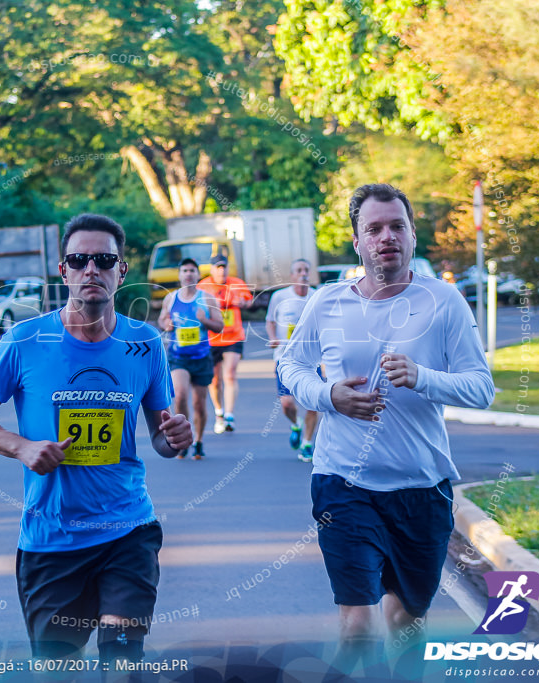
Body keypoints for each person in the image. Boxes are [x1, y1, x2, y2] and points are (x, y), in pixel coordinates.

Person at [279, 184, 494, 678]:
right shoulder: (328, 303)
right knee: (357, 627)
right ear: (357, 243)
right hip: (343, 485)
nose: (386, 237)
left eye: (396, 226)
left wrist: (423, 377)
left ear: (413, 235)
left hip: (421, 489)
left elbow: (481, 388)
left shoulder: (444, 302)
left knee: (406, 622)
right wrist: (328, 396)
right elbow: (291, 368)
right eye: (373, 229)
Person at [0, 213, 192, 664]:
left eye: (104, 259)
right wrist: (22, 447)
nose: (92, 269)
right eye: (79, 259)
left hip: (128, 531)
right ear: (62, 270)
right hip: (52, 540)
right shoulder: (24, 340)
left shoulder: (144, 343)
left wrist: (175, 437)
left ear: (121, 270)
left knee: (122, 661)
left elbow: (162, 438)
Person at [158, 258, 224, 459]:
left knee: (198, 403)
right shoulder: (171, 298)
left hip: (202, 357)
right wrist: (165, 324)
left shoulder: (207, 298)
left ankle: (199, 440)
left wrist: (205, 320)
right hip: (179, 357)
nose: (188, 274)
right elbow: (162, 318)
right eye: (184, 270)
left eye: (192, 271)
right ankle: (183, 439)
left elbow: (219, 326)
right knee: (179, 395)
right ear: (179, 275)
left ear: (197, 275)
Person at [265, 258, 320, 462]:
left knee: (313, 403)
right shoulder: (280, 297)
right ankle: (296, 424)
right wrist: (273, 337)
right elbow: (270, 321)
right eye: (298, 270)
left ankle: (307, 443)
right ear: (292, 275)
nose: (303, 273)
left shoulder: (316, 297)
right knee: (287, 403)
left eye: (306, 269)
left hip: (311, 360)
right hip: (285, 358)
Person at [197, 254, 253, 434]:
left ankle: (229, 415)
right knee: (214, 381)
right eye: (218, 267)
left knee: (229, 375)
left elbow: (249, 301)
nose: (222, 270)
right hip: (211, 339)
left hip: (233, 337)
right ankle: (219, 413)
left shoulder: (236, 283)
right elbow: (196, 308)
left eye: (224, 267)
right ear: (212, 269)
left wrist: (241, 303)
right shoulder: (203, 286)